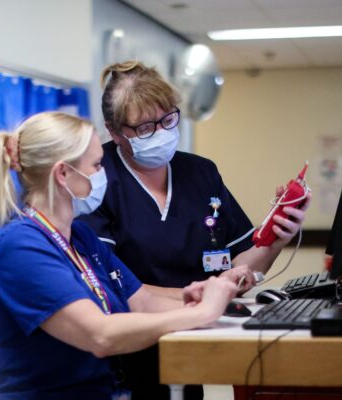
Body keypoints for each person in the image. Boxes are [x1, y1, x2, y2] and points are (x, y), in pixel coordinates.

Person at [78, 60, 312, 398]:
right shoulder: (99, 181)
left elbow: (239, 269)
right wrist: (207, 299)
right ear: (114, 132)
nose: (160, 133)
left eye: (168, 119)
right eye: (144, 128)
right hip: (126, 359)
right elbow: (111, 288)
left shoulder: (200, 173)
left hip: (192, 346)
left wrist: (277, 236)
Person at [0, 111, 239, 399]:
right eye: (96, 165)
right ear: (63, 174)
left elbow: (141, 301)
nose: (104, 174)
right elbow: (100, 335)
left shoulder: (81, 237)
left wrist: (197, 294)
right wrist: (203, 313)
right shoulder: (20, 247)